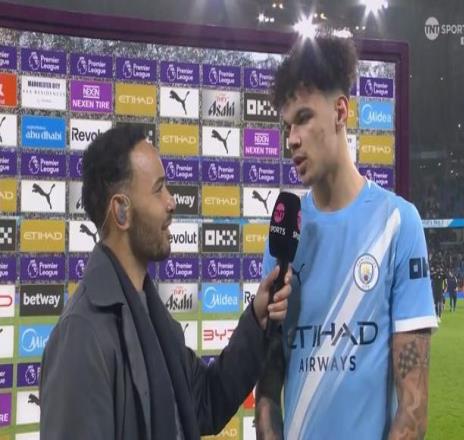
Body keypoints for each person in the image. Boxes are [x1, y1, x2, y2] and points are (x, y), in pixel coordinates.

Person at [39, 125, 291, 440]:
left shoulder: (153, 317)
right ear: (121, 211)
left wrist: (256, 318)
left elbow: (205, 401)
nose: (171, 202)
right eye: (158, 189)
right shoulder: (82, 335)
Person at [255, 36, 437, 440]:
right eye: (287, 126)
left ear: (340, 112)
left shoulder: (398, 224)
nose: (291, 139)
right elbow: (267, 389)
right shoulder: (285, 232)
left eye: (304, 118)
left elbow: (413, 409)